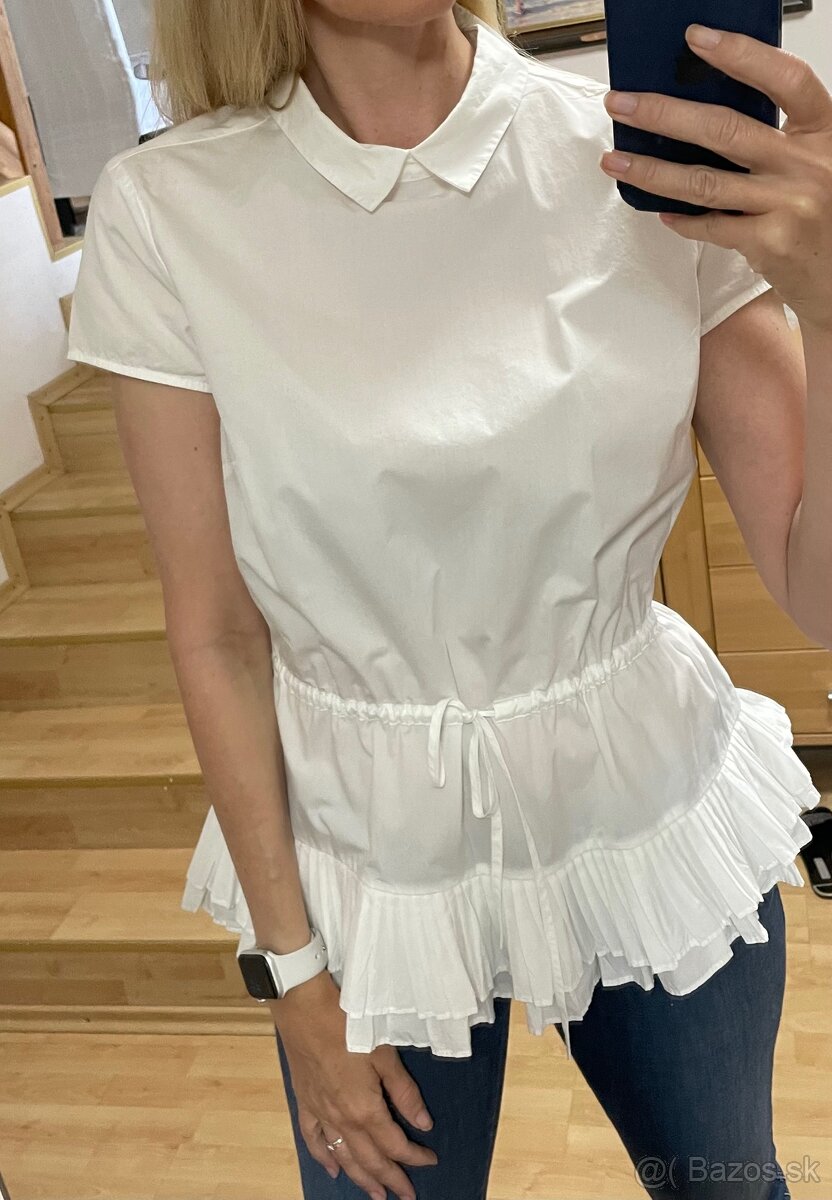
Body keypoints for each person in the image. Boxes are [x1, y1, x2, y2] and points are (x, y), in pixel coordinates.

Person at [65, 2, 830, 1198]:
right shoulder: (171, 208)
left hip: (643, 804)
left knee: (728, 1185)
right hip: (367, 868)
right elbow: (216, 634)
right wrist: (294, 977)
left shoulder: (640, 152)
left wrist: (829, 307)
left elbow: (817, 591)